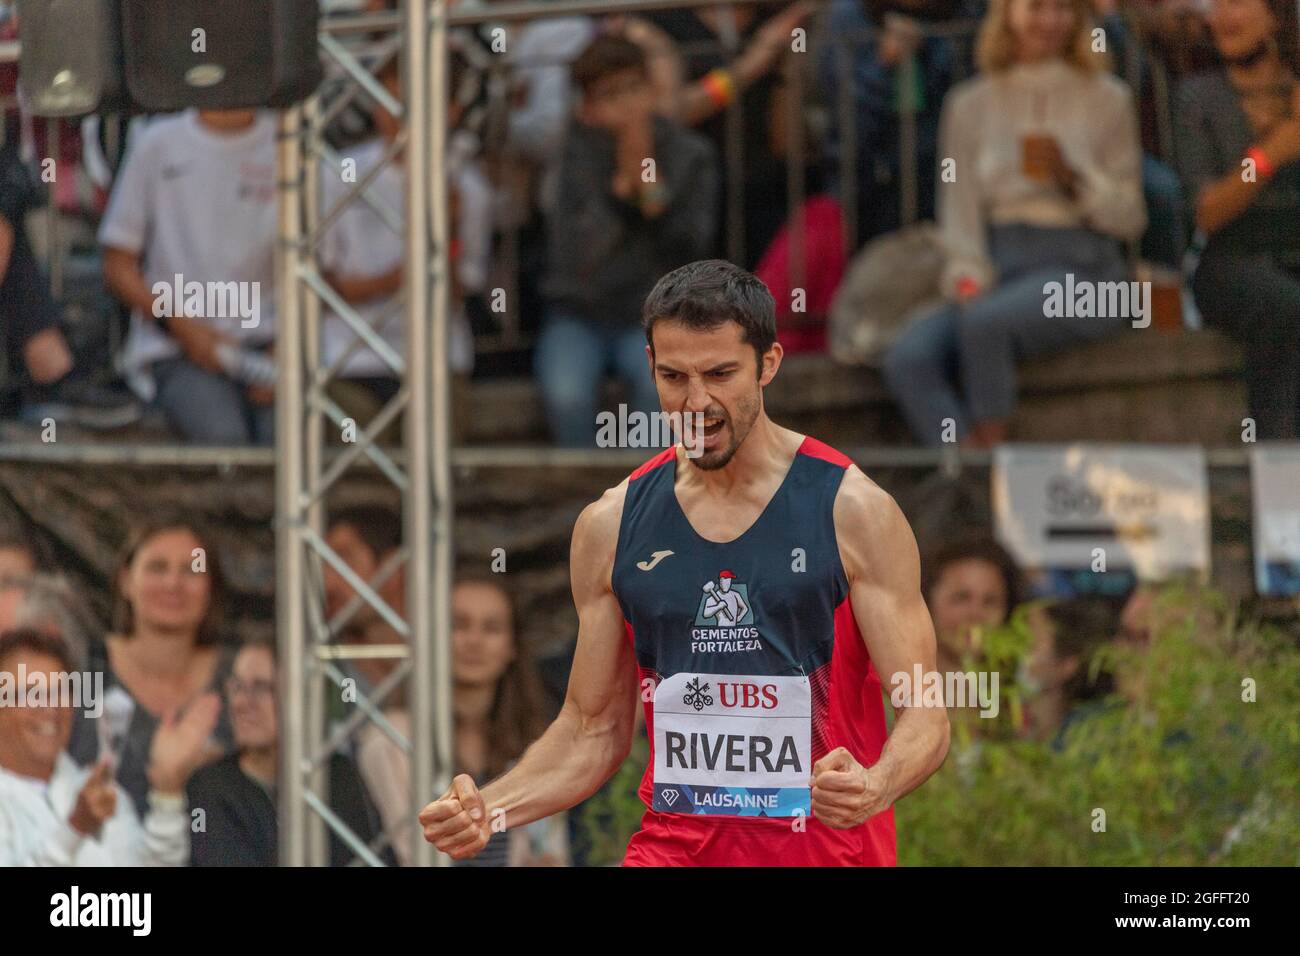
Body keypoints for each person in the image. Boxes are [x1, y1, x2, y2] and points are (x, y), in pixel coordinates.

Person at [421, 259, 950, 866]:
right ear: (649, 368)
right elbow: (592, 730)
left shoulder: (853, 511)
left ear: (769, 364)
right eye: (674, 377)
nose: (696, 402)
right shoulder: (611, 525)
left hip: (825, 855)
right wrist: (492, 807)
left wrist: (877, 783)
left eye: (720, 373)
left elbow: (926, 713)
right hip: (673, 854)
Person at [883, 0, 1146, 447]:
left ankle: (995, 478)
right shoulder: (968, 104)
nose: (1050, 21)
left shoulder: (1109, 97)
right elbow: (960, 213)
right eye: (1037, 7)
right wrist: (966, 276)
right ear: (1006, 12)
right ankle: (975, 474)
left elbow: (1131, 219)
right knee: (908, 356)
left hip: (1091, 277)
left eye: (1064, 9)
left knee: (986, 324)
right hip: (998, 265)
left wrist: (1074, 181)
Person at [536, 33, 719, 447]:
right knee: (566, 396)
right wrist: (623, 195)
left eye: (633, 88)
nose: (625, 104)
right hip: (578, 314)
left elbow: (691, 250)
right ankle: (590, 504)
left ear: (652, 89)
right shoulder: (575, 157)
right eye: (609, 95)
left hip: (660, 318)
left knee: (661, 398)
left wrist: (648, 192)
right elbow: (574, 255)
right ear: (589, 109)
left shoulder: (690, 154)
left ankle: (644, 502)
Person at [320, 55, 486, 443]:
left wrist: (452, 229)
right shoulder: (337, 173)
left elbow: (462, 294)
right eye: (386, 101)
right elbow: (320, 285)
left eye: (411, 105)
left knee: (438, 462)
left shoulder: (469, 187)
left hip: (438, 359)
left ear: (451, 112)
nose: (396, 117)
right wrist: (396, 280)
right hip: (348, 358)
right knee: (361, 465)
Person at [354, 574, 566, 866]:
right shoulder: (392, 736)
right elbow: (415, 854)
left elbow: (549, 852)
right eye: (459, 625)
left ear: (512, 647)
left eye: (491, 628)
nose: (474, 641)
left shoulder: (534, 743)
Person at [100, 107, 277, 445]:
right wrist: (181, 326)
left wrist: (285, 349)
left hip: (270, 348)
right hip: (176, 351)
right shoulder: (158, 142)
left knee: (288, 443)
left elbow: (322, 271)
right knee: (224, 440)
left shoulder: (289, 140)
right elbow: (117, 267)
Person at [1176, 0, 1300, 438]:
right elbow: (1207, 212)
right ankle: (1282, 476)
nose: (1222, 16)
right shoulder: (1200, 98)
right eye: (1216, 5)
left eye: (1238, 2)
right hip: (1231, 259)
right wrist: (1271, 153)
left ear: (1276, 14)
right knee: (1286, 309)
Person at [0, 627, 212, 866]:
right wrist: (75, 829)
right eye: (31, 694)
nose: (50, 708)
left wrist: (167, 790)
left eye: (61, 691)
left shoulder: (98, 790)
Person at [68, 516, 235, 818]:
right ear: (125, 581)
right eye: (157, 567)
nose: (173, 583)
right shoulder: (84, 668)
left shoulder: (241, 680)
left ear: (212, 587)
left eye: (192, 569)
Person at [187, 639, 389, 866]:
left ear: (302, 698)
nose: (242, 702)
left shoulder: (338, 775)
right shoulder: (211, 786)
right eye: (237, 687)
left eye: (261, 687)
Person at [921, 536, 1023, 675]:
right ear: (927, 601)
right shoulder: (892, 689)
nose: (975, 613)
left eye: (990, 601)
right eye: (961, 598)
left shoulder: (1027, 693)